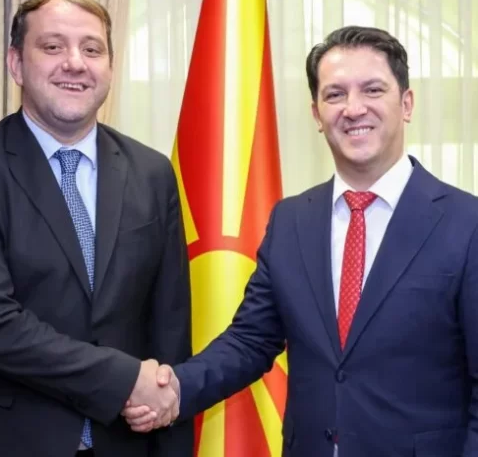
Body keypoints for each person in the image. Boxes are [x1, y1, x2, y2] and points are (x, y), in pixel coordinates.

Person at [123, 26, 478, 457]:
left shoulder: (466, 223)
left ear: (406, 103)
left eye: (372, 89)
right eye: (335, 94)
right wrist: (175, 389)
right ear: (316, 113)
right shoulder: (291, 220)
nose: (353, 108)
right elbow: (251, 340)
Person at [0, 0, 193, 456]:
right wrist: (125, 379)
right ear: (16, 64)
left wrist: (170, 427)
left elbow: (170, 327)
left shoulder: (152, 172)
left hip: (127, 442)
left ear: (111, 68)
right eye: (53, 47)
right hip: (4, 441)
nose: (75, 63)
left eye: (92, 49)